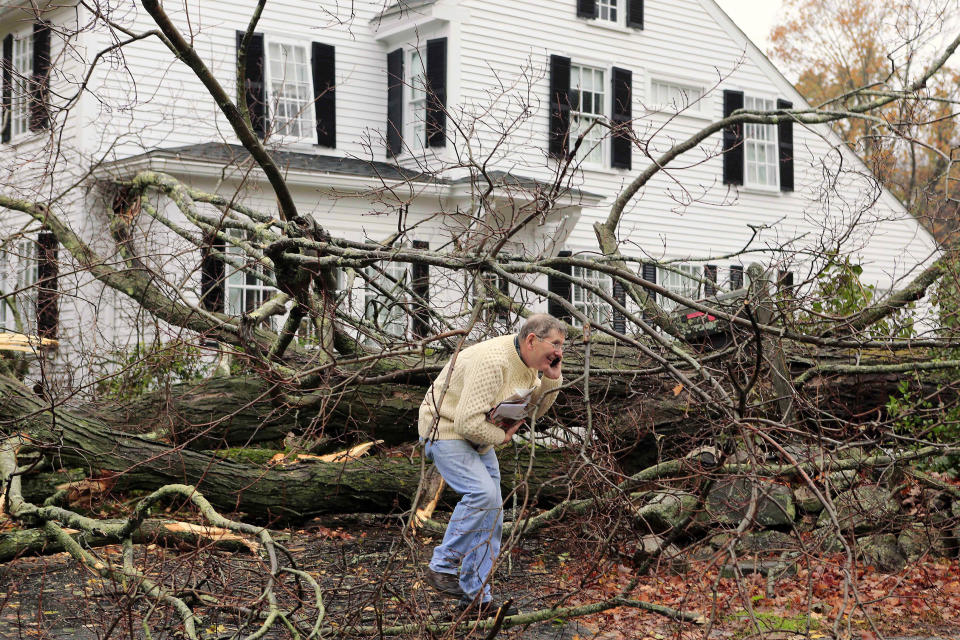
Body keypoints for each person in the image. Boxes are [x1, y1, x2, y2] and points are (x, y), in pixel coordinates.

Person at [418, 313, 566, 617]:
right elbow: (465, 421)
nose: (559, 352)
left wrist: (554, 378)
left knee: (493, 512)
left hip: (475, 436)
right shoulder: (494, 361)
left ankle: (476, 601)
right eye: (556, 344)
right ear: (531, 340)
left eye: (563, 346)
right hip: (443, 429)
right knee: (483, 495)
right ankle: (441, 565)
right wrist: (502, 437)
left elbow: (536, 409)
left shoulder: (527, 365)